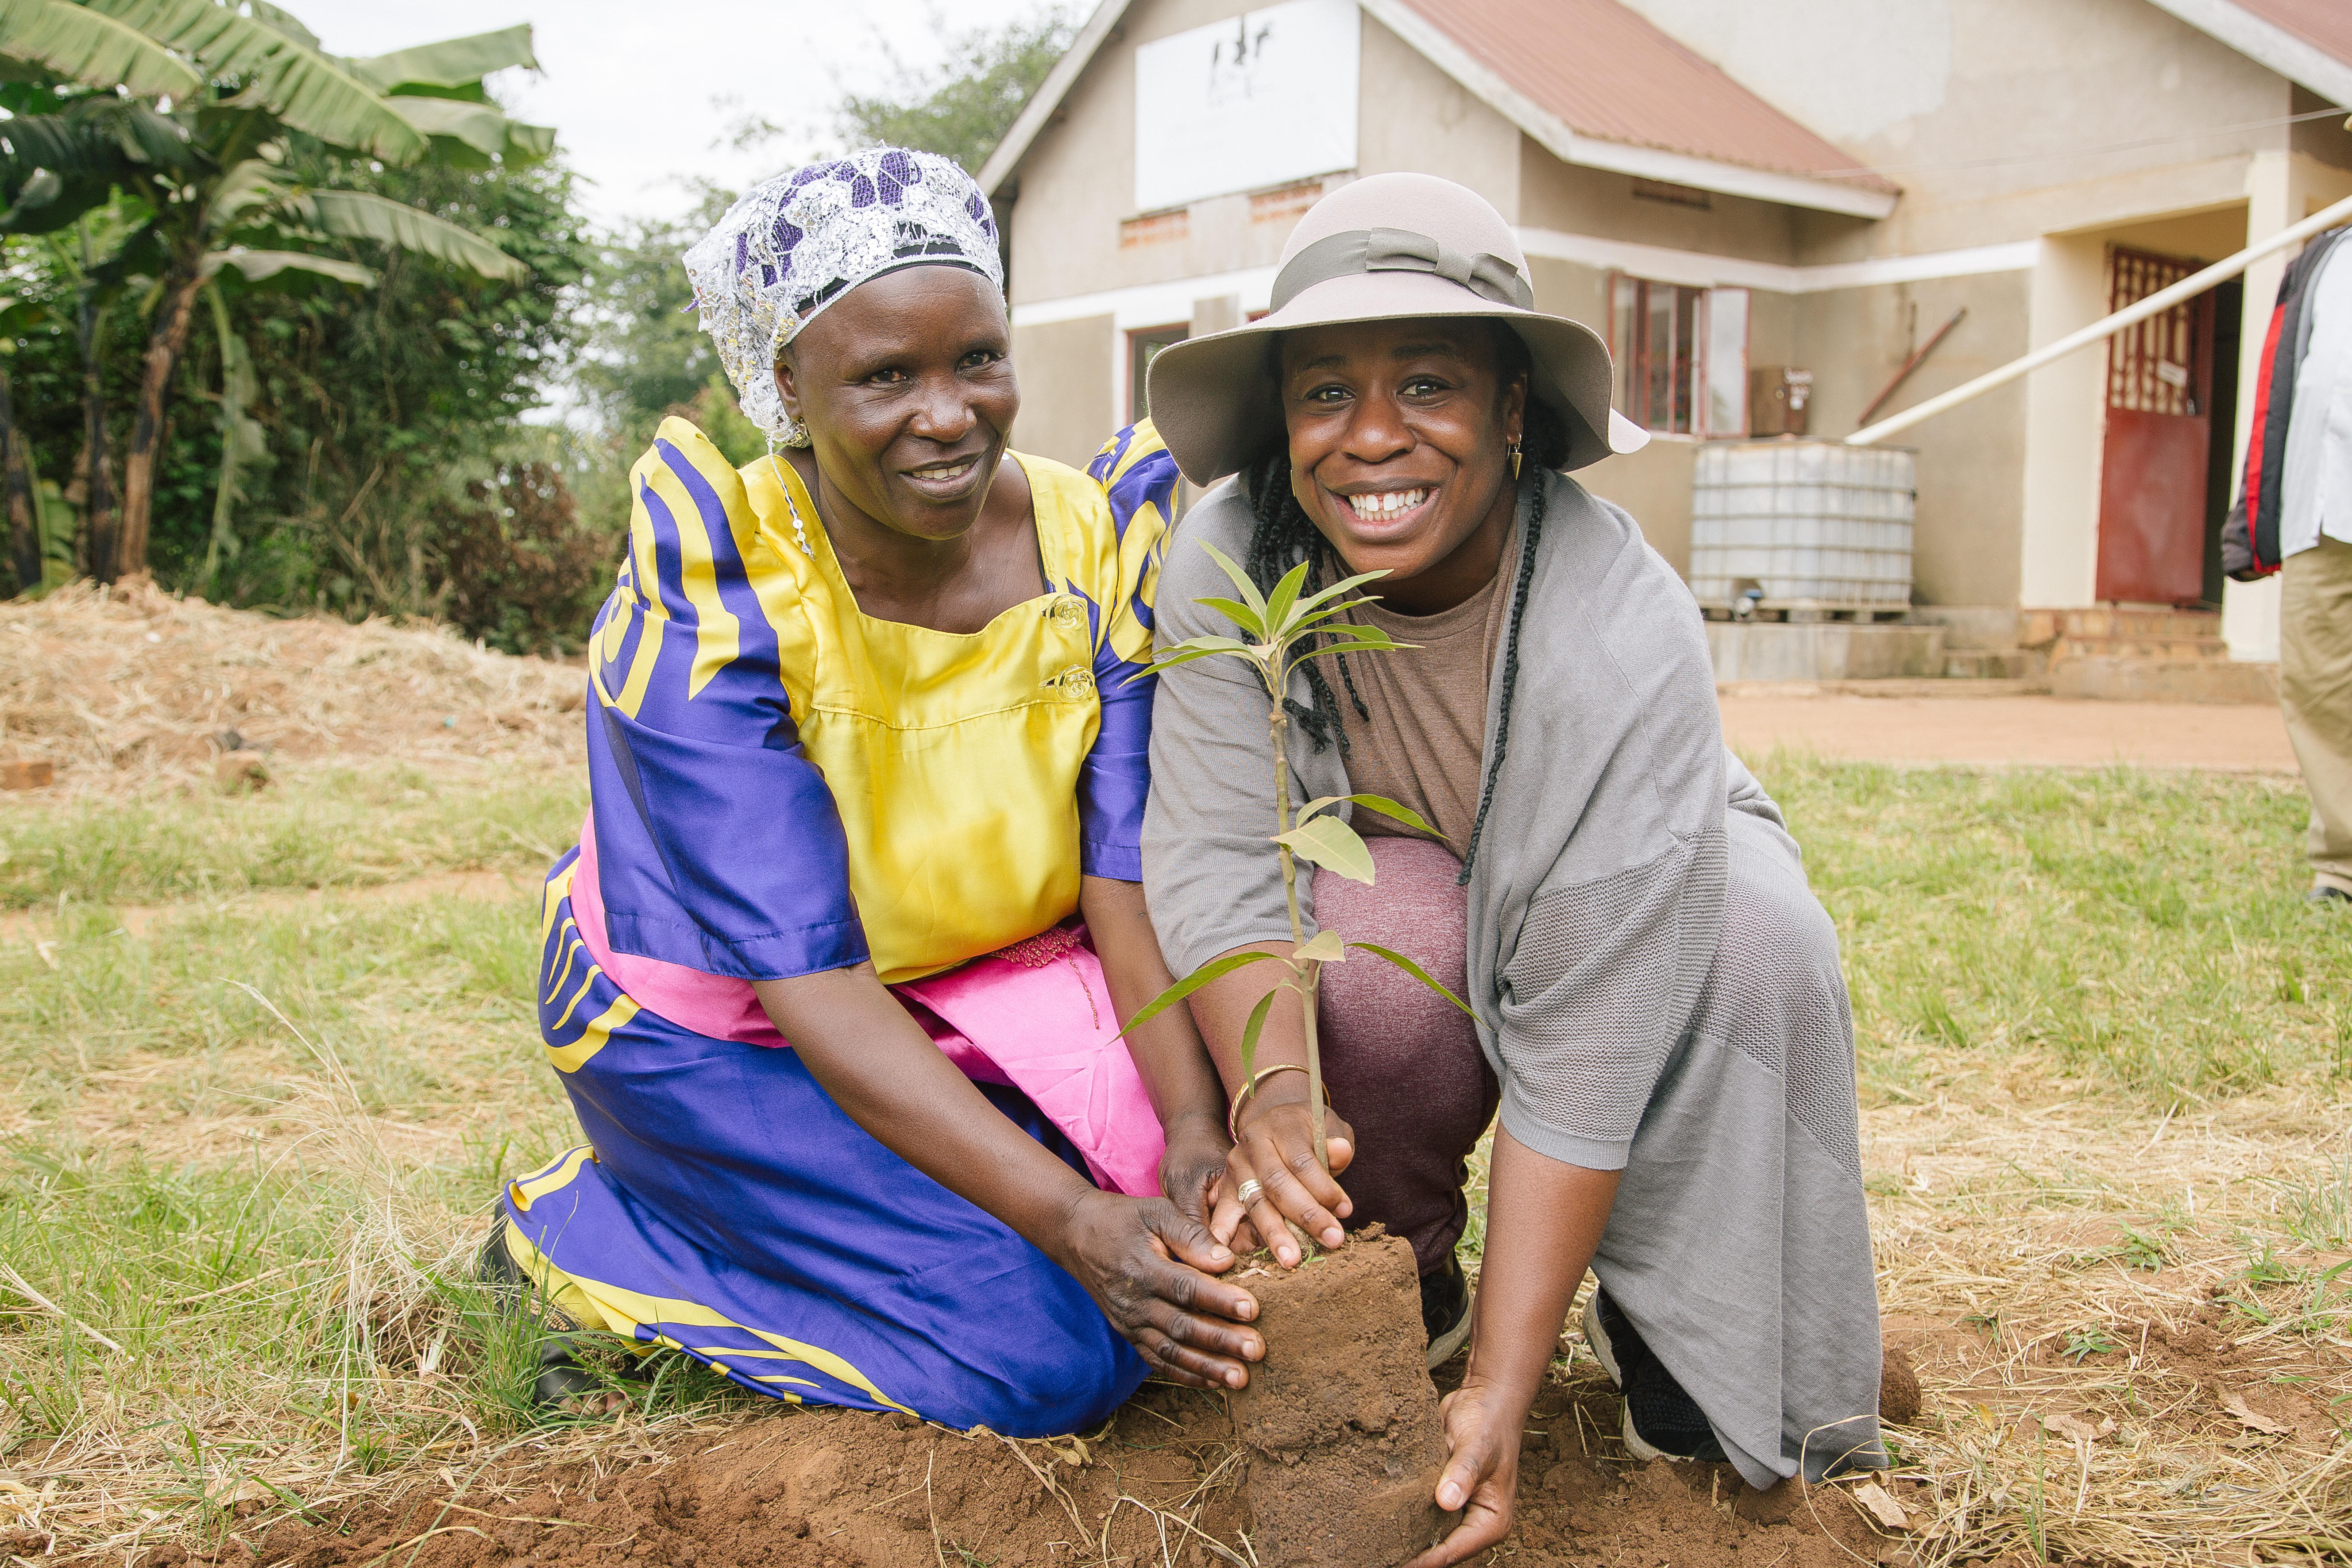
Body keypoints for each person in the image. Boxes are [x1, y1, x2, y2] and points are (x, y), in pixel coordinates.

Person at [1126, 173, 1884, 1563]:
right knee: (1368, 962)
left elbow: (1590, 1032)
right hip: (1409, 868)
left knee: (1754, 950)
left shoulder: (1618, 614)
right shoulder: (1233, 554)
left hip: (1645, 846)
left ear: (1517, 409)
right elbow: (1229, 853)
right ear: (1280, 418)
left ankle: (1684, 1336)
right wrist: (1273, 1097)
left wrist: (1510, 1397)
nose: (1371, 439)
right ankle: (1401, 1292)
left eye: (1428, 382)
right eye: (1322, 392)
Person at [486, 148, 1265, 1435]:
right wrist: (1072, 1217)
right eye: (885, 376)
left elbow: (1119, 874)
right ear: (787, 382)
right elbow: (809, 977)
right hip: (724, 1015)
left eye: (976, 360)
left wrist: (1192, 1120)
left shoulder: (1094, 535)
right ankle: (592, 1237)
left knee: (1199, 1230)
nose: (948, 413)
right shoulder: (720, 585)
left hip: (989, 973)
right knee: (1048, 1358)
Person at [2224, 220, 2352, 906]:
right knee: (2319, 684)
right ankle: (2342, 864)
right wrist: (2258, 511)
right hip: (2319, 499)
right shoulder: (2323, 256)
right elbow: (2281, 384)